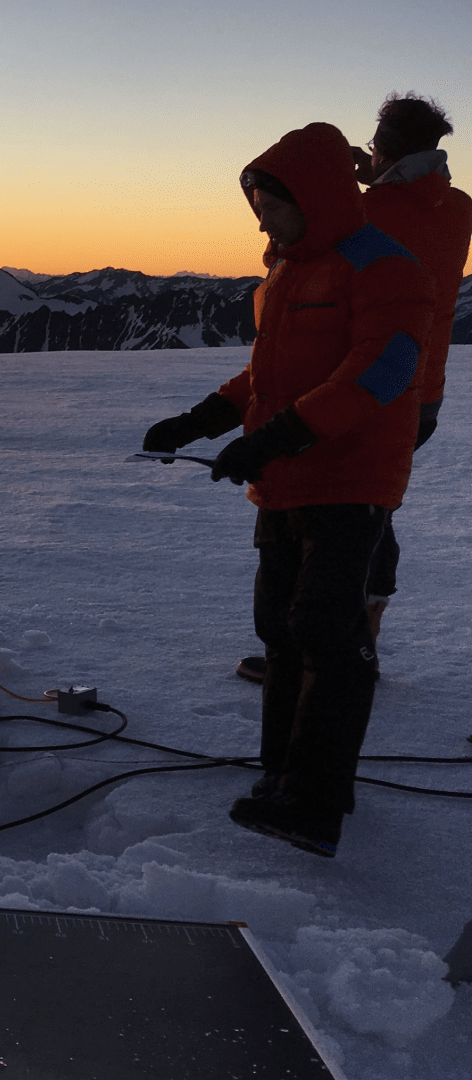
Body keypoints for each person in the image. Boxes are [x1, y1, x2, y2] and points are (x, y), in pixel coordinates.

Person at [142, 123, 434, 857]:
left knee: (328, 635)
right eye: (256, 204)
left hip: (349, 478)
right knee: (280, 626)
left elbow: (383, 372)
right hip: (285, 483)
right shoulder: (285, 273)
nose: (260, 219)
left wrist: (280, 435)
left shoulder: (383, 268)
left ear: (315, 197)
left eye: (270, 203)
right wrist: (201, 419)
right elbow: (265, 377)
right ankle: (284, 774)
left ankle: (315, 800)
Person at [236, 95, 471, 684]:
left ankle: (327, 653)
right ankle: (360, 638)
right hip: (424, 389)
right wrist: (374, 177)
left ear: (382, 145)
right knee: (374, 506)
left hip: (345, 383)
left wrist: (344, 182)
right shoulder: (459, 208)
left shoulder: (370, 213)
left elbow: (289, 255)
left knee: (334, 513)